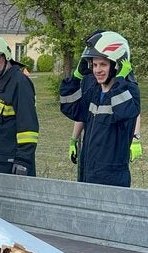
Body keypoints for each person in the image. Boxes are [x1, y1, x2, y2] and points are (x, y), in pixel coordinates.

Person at [60, 31, 140, 187]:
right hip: (88, 171)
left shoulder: (129, 90)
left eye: (103, 64)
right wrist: (76, 77)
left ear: (117, 65)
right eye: (94, 65)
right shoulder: (95, 92)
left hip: (111, 178)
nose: (97, 70)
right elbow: (71, 108)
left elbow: (123, 112)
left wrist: (120, 79)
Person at [0, 34, 38, 176]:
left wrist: (23, 161)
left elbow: (28, 127)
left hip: (12, 167)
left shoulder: (20, 82)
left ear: (7, 56)